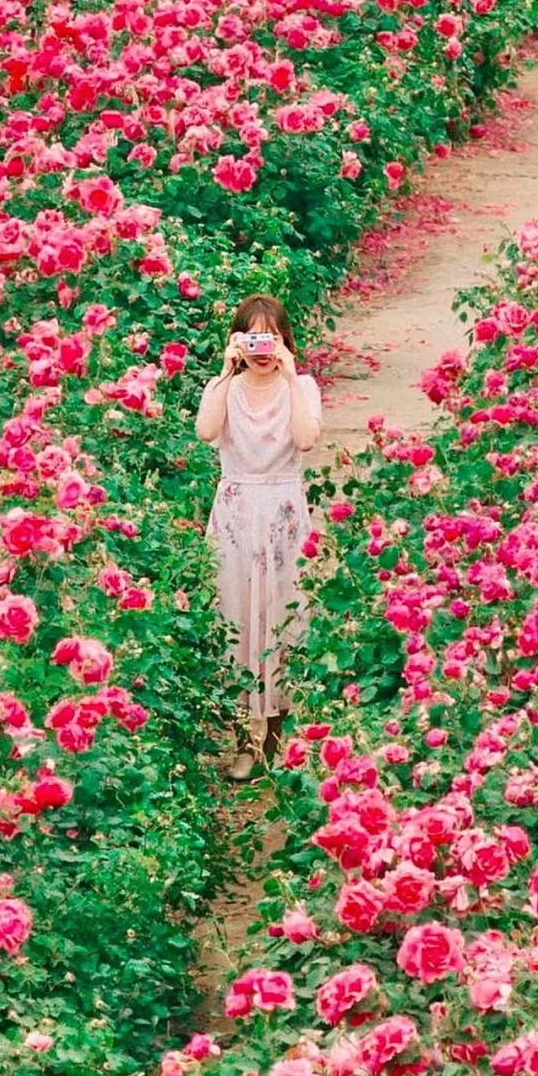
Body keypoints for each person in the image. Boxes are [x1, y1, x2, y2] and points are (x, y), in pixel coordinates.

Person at [195, 294, 323, 781]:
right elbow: (207, 431)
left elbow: (306, 439)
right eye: (252, 338)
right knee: (233, 616)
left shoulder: (301, 387)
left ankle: (273, 738)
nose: (261, 349)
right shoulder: (223, 388)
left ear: (285, 340)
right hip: (235, 510)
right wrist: (225, 373)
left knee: (281, 617)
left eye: (270, 338)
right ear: (237, 341)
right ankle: (242, 741)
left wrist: (290, 376)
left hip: (282, 513)